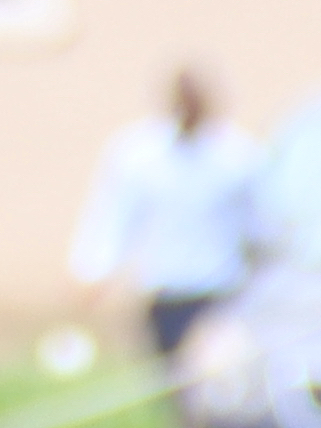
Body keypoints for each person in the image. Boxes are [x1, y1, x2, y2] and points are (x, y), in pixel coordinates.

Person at [77, 69, 264, 363]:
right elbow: (115, 217)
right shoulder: (139, 155)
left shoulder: (237, 155)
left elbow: (258, 223)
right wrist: (95, 271)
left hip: (221, 291)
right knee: (171, 374)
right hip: (166, 291)